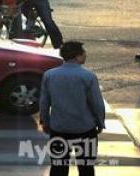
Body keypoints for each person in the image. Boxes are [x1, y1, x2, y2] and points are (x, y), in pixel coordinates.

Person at [40, 41, 105, 176]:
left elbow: (44, 102)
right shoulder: (88, 76)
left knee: (58, 167)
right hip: (85, 129)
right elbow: (97, 104)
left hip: (59, 128)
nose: (85, 55)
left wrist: (45, 121)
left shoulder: (49, 75)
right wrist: (100, 122)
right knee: (86, 167)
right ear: (78, 56)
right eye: (83, 53)